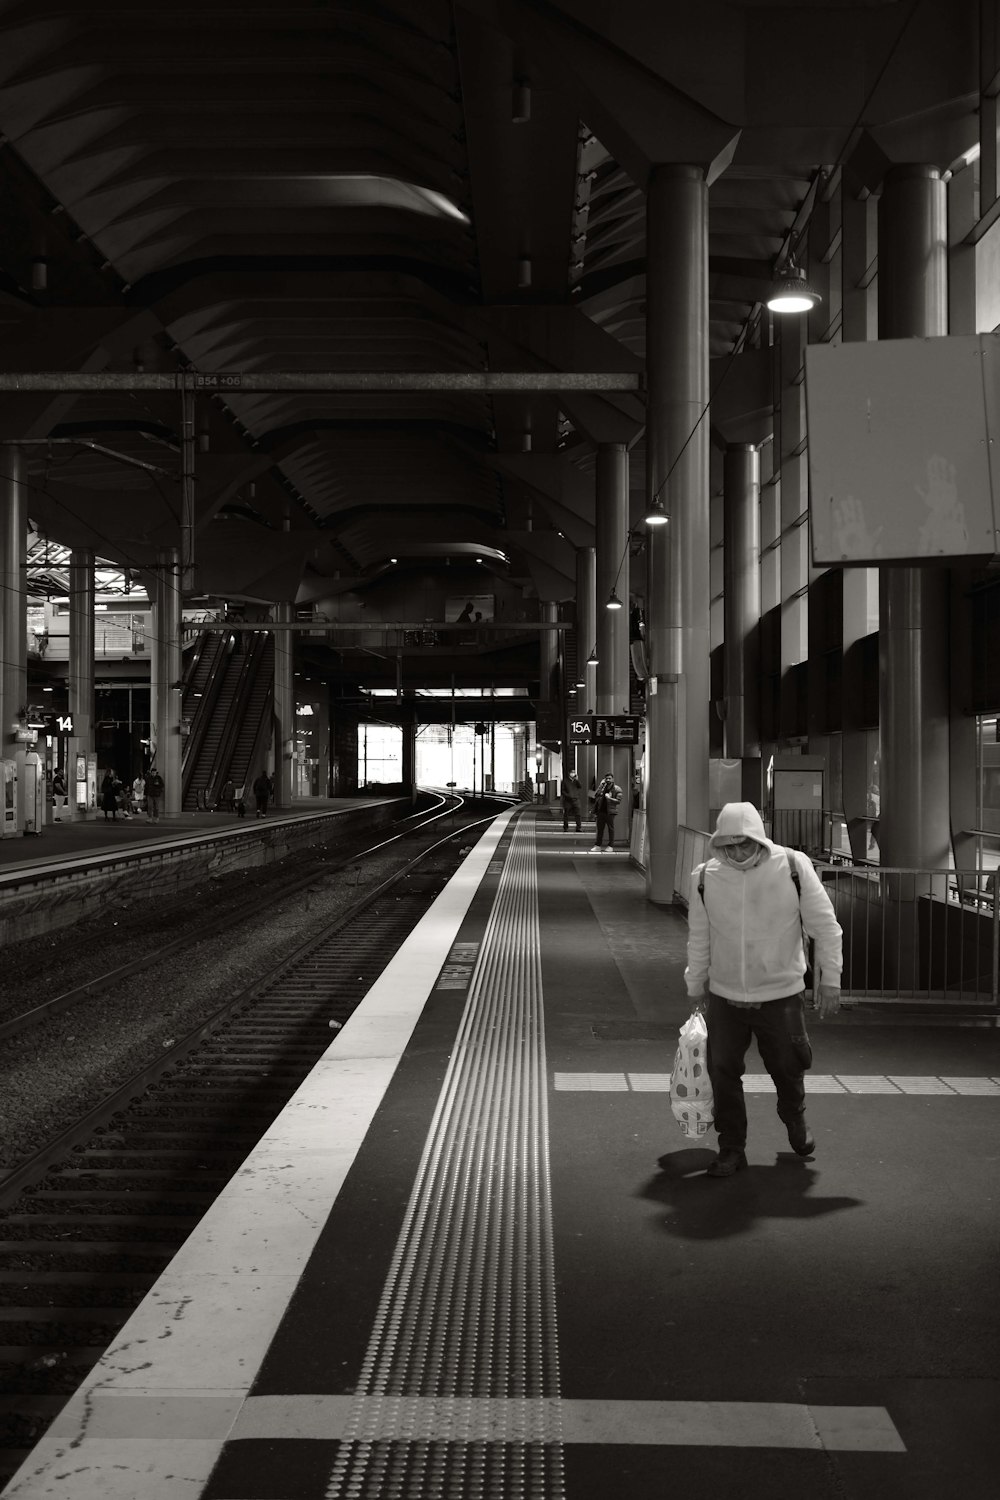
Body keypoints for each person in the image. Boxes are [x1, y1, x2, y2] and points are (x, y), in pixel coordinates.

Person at [684, 801, 844, 1178]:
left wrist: (831, 979)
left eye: (744, 844)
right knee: (722, 1073)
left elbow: (826, 926)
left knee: (788, 1068)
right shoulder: (706, 876)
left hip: (781, 995)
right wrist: (695, 983)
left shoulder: (792, 866)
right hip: (725, 996)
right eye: (729, 846)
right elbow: (699, 936)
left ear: (759, 839)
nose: (737, 853)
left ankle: (794, 1117)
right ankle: (731, 1147)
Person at [590, 772, 622, 852]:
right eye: (606, 778)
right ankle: (597, 845)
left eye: (609, 778)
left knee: (611, 829)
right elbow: (595, 795)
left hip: (610, 812)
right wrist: (600, 786)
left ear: (613, 779)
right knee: (600, 829)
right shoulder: (602, 788)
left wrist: (609, 799)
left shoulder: (617, 789)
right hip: (601, 811)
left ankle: (610, 845)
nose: (608, 780)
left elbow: (618, 801)